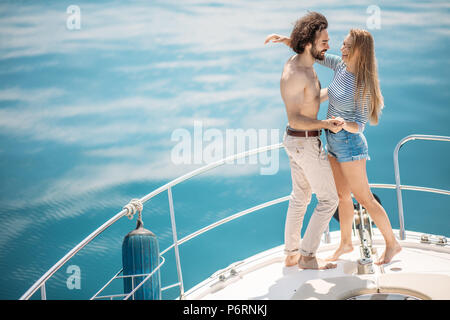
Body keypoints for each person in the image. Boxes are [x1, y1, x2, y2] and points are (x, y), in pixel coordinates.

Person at [265, 27, 402, 265]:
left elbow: (359, 125)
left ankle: (392, 244)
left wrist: (340, 124)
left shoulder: (362, 84)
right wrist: (288, 40)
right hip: (333, 141)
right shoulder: (340, 66)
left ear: (361, 51)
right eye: (344, 44)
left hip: (350, 145)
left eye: (348, 46)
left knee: (365, 197)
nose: (342, 48)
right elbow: (315, 54)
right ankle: (346, 243)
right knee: (341, 196)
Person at [265, 12, 344, 270]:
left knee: (300, 197)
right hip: (304, 141)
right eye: (324, 42)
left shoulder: (302, 61)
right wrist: (323, 124)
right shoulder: (297, 73)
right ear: (309, 43)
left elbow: (310, 99)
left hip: (297, 142)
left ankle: (291, 254)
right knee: (329, 200)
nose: (328, 46)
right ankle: (307, 256)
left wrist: (335, 91)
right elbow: (297, 118)